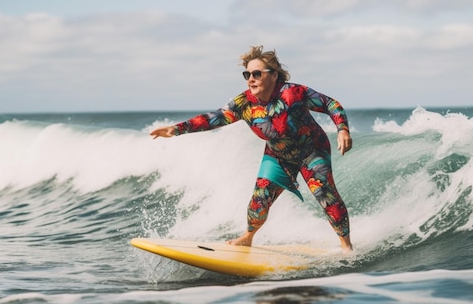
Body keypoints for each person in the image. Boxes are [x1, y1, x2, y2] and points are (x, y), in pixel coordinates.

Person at [150, 46, 353, 251]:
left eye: (257, 74)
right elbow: (214, 118)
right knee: (259, 199)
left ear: (274, 75)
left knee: (324, 194)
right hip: (278, 155)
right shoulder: (244, 103)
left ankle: (346, 246)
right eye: (247, 74)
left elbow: (330, 104)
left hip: (312, 151)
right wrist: (176, 130)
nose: (251, 79)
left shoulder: (294, 93)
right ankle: (248, 237)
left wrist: (342, 129)